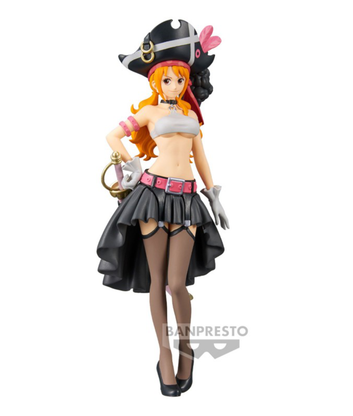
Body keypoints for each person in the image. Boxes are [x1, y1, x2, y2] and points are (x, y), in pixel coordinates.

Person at [97, 19, 228, 396]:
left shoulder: (191, 117)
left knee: (177, 284)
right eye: (168, 79)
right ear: (156, 81)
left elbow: (200, 157)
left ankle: (186, 349)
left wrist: (214, 195)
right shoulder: (150, 113)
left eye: (180, 79)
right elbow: (113, 135)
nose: (175, 85)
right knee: (158, 280)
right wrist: (132, 166)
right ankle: (165, 356)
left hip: (187, 198)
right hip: (152, 196)